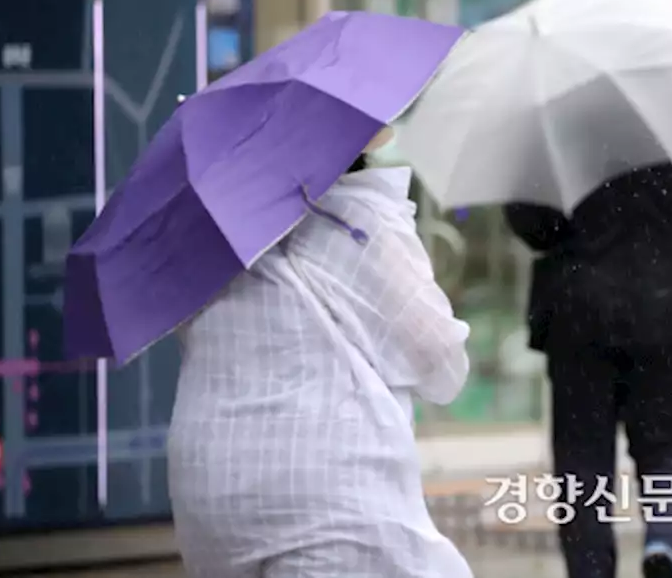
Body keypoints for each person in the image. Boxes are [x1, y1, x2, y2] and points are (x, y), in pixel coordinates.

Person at [167, 127, 473, 578]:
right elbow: (441, 363)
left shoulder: (205, 238)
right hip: (331, 499)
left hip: (211, 495)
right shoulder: (354, 220)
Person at [503, 120, 672, 578]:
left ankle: (589, 567)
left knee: (582, 460)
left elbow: (534, 224)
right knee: (664, 445)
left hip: (580, 316)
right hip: (664, 309)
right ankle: (665, 541)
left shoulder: (557, 121)